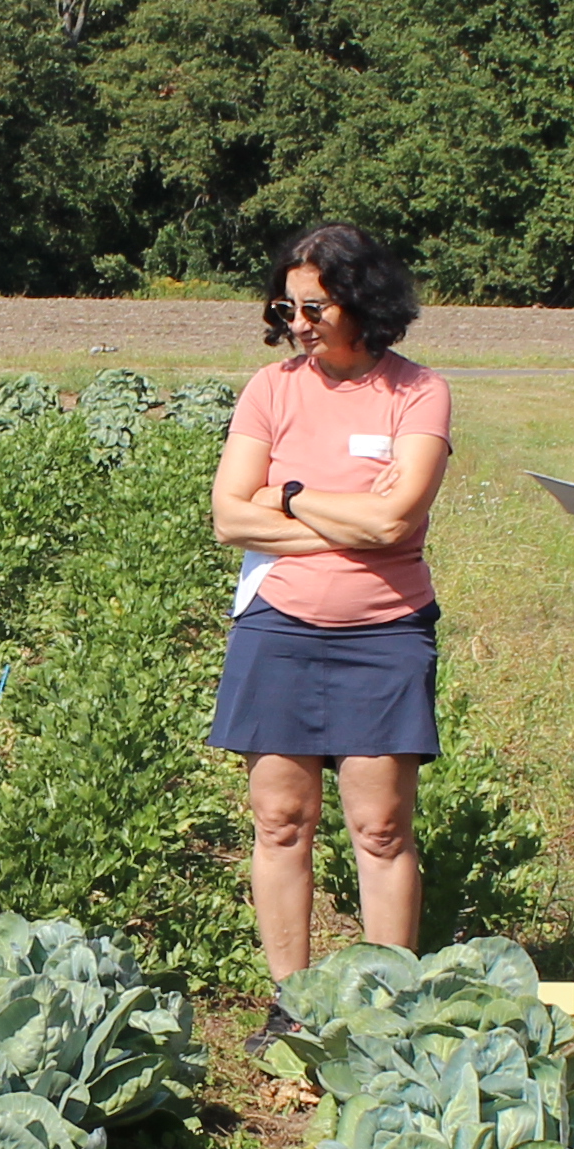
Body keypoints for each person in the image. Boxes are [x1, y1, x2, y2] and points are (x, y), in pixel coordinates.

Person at [213, 224, 456, 1012]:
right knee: (281, 820)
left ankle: (387, 1009)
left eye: (314, 306)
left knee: (381, 828)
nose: (299, 322)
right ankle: (291, 1005)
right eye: (288, 307)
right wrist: (342, 514)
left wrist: (284, 495)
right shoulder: (271, 388)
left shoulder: (418, 392)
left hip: (384, 632)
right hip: (278, 625)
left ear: (362, 301)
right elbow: (227, 515)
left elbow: (396, 525)